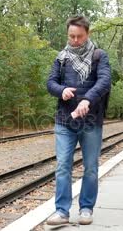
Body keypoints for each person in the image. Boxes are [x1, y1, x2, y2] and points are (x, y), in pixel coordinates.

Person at [45, 16, 111, 225]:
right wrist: (61, 90)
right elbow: (50, 83)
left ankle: (86, 209)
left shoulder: (99, 56)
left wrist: (88, 100)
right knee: (63, 165)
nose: (75, 40)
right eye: (71, 36)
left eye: (79, 36)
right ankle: (62, 212)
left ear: (88, 34)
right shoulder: (61, 57)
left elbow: (104, 81)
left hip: (91, 122)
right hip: (65, 122)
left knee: (90, 167)